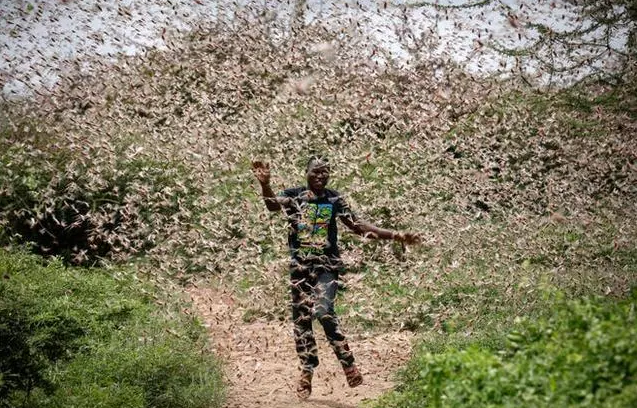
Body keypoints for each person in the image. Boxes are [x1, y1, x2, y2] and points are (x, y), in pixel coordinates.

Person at [252, 156, 420, 400]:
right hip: (300, 269)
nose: (320, 176)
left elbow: (359, 227)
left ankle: (348, 363)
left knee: (324, 311)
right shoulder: (295, 195)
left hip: (326, 267)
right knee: (302, 321)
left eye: (325, 172)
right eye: (315, 172)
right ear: (306, 173)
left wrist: (396, 236)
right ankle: (307, 371)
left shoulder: (334, 199)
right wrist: (265, 185)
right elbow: (272, 205)